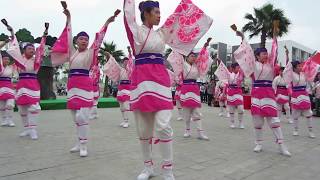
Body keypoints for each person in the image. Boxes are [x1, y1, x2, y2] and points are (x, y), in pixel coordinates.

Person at [123, 0, 212, 179]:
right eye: (155, 12)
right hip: (141, 83)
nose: (159, 15)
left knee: (163, 126)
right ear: (145, 14)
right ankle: (148, 167)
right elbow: (128, 15)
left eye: (159, 11)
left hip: (160, 82)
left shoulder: (162, 33)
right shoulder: (136, 32)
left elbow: (177, 18)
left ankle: (168, 168)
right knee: (144, 130)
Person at [51, 5, 118, 157]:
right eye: (81, 39)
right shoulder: (72, 53)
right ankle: (78, 141)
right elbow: (68, 35)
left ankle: (84, 145)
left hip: (85, 86)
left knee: (82, 116)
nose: (84, 41)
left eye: (86, 39)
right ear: (77, 41)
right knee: (75, 117)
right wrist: (68, 17)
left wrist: (108, 22)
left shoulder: (90, 52)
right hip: (72, 86)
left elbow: (99, 38)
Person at [233, 30, 291, 156]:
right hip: (256, 96)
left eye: (266, 53)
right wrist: (242, 37)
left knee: (274, 121)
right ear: (257, 56)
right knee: (258, 122)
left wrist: (275, 37)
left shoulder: (272, 66)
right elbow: (247, 52)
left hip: (269, 95)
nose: (266, 55)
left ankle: (282, 145)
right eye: (263, 54)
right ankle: (258, 143)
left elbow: (276, 53)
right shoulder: (253, 65)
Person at [6, 23, 48, 140]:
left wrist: (44, 34)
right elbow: (14, 46)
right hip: (21, 85)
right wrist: (12, 32)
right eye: (29, 48)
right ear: (24, 50)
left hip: (33, 84)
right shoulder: (19, 60)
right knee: (22, 108)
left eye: (33, 49)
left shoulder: (37, 60)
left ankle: (33, 130)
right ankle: (26, 129)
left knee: (33, 107)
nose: (32, 50)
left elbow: (41, 47)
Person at [103, 47, 134, 128]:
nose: (126, 63)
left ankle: (127, 121)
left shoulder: (131, 70)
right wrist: (109, 56)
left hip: (127, 89)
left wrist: (129, 52)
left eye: (127, 62)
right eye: (125, 62)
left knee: (126, 106)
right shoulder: (121, 69)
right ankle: (124, 120)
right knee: (121, 106)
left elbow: (131, 59)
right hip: (120, 89)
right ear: (123, 62)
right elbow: (115, 63)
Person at [286, 61, 316, 138]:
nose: (300, 67)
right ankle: (295, 130)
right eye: (298, 66)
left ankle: (311, 131)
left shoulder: (304, 74)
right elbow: (287, 72)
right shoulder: (291, 74)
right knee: (295, 114)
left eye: (300, 66)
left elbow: (309, 77)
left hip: (304, 94)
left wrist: (309, 62)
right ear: (294, 67)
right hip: (295, 95)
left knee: (308, 113)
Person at [0, 45, 16, 127]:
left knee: (10, 104)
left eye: (8, 59)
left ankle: (10, 119)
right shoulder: (0, 67)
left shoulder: (11, 67)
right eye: (5, 59)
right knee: (2, 106)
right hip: (1, 88)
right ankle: (4, 120)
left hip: (9, 87)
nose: (7, 60)